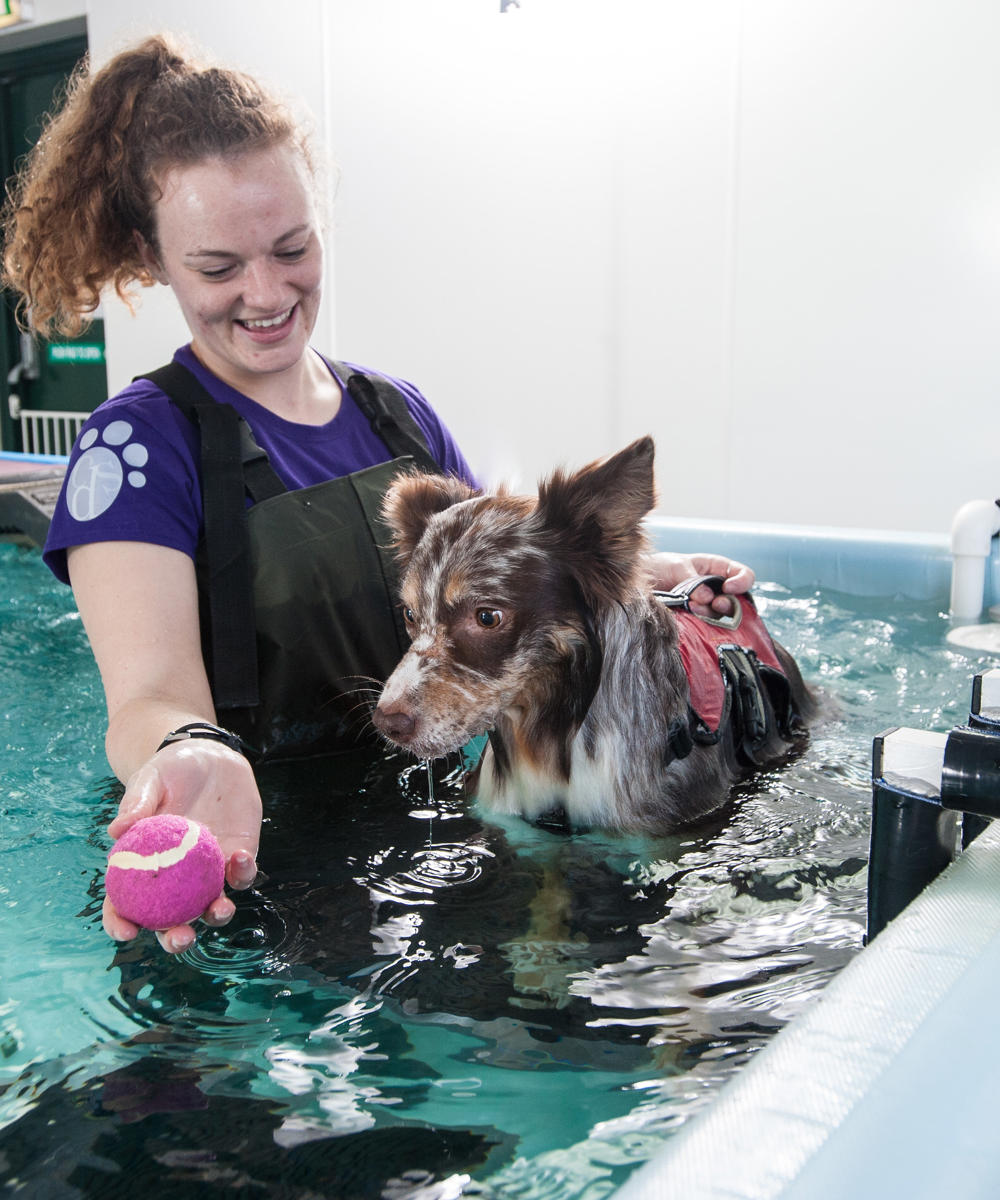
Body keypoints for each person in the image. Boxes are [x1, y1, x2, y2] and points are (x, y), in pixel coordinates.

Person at [1, 34, 754, 955]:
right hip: (252, 866)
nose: (266, 293)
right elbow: (149, 694)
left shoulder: (399, 415)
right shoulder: (134, 448)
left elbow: (503, 589)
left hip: (436, 834)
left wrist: (640, 576)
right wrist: (187, 752)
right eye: (218, 268)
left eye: (291, 248)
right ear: (151, 256)